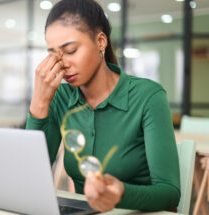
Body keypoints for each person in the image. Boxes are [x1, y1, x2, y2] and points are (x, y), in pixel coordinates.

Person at [25, 0, 180, 212]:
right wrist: (39, 102)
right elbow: (31, 179)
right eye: (54, 54)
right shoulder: (60, 97)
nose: (63, 63)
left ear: (100, 42)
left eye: (70, 50)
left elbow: (169, 194)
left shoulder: (148, 96)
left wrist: (121, 194)